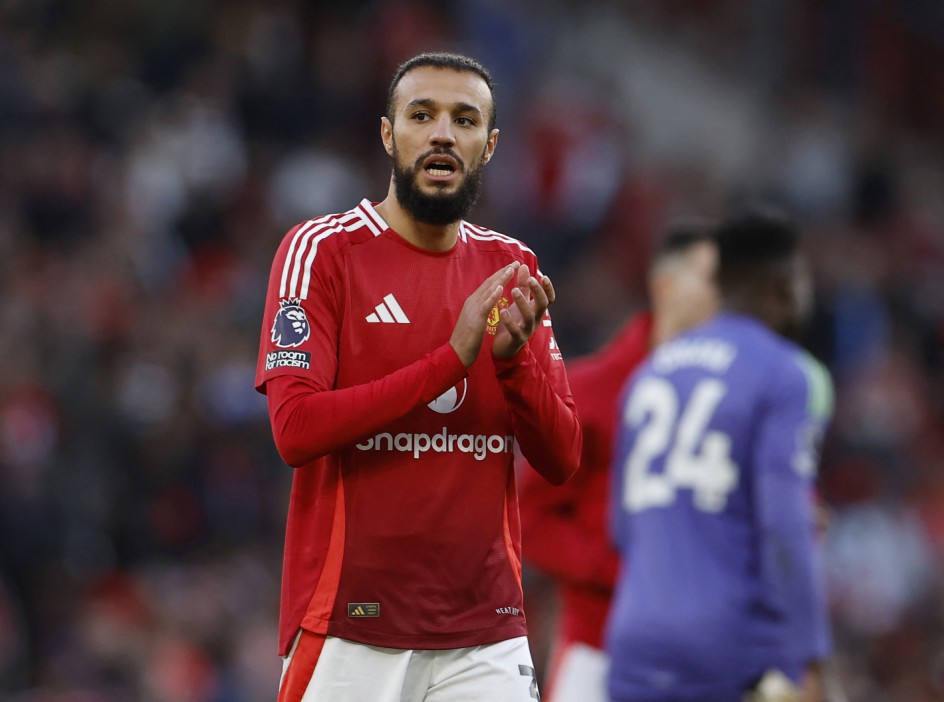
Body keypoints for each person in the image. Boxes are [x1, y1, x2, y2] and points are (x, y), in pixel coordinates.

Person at [254, 52, 582, 702]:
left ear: (488, 147)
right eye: (421, 114)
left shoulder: (511, 265)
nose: (441, 134)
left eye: (464, 120)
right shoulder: (320, 251)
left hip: (486, 632)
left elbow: (562, 456)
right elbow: (294, 430)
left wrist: (512, 364)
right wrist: (451, 360)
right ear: (388, 135)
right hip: (350, 626)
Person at [606, 206, 833, 702]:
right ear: (784, 286)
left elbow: (622, 529)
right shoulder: (785, 373)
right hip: (730, 650)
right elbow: (786, 528)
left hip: (633, 642)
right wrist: (811, 656)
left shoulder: (651, 373)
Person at [517, 225, 719, 702]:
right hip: (600, 644)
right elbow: (530, 518)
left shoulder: (739, 395)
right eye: (711, 278)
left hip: (709, 652)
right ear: (664, 286)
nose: (724, 295)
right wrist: (616, 567)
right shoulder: (590, 391)